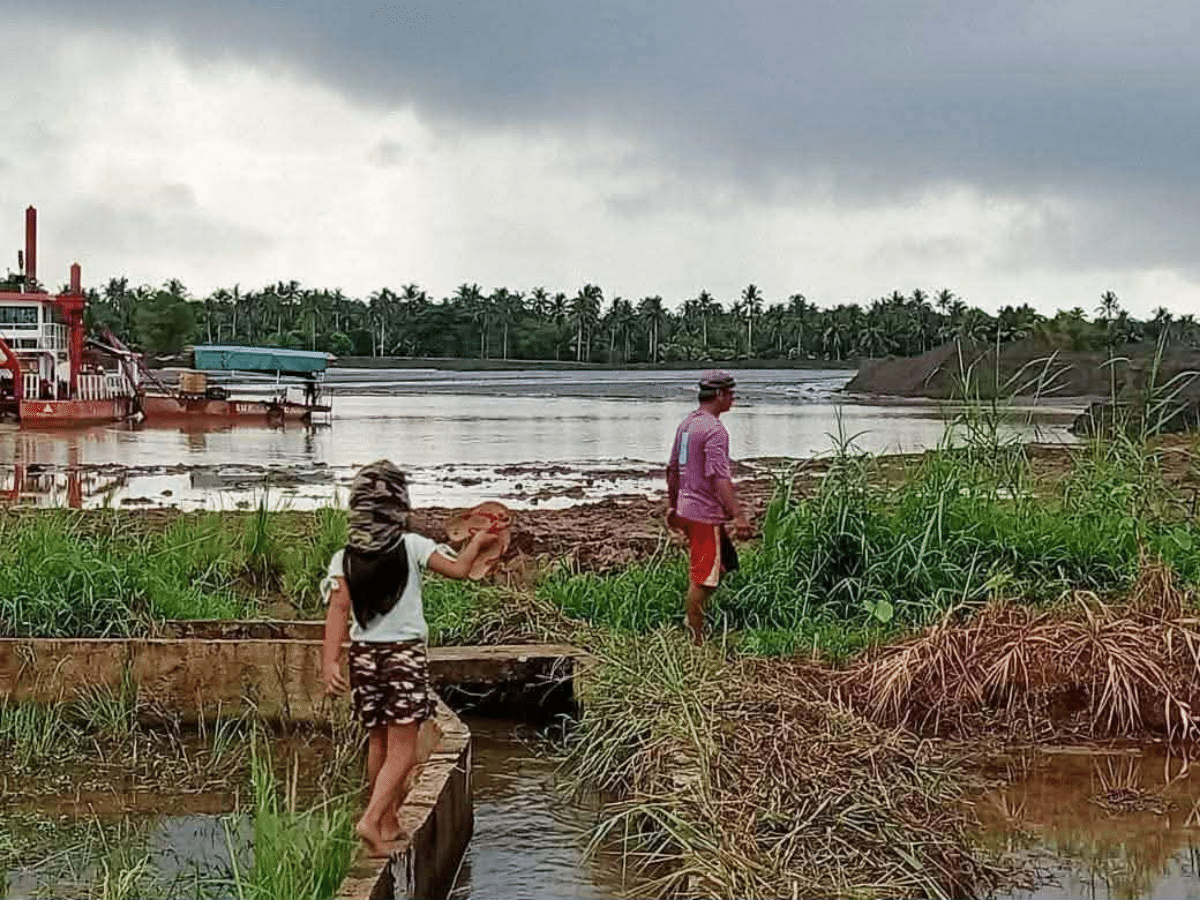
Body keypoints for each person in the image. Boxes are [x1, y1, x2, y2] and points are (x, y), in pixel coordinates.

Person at [321, 459, 499, 855]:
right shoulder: (412, 546)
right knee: (405, 748)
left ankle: (388, 820)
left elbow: (337, 610)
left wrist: (329, 662)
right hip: (402, 656)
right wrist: (478, 542)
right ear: (400, 505)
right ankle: (370, 819)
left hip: (363, 657)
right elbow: (459, 570)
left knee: (378, 741)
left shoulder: (344, 557)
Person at [666, 370, 752, 644]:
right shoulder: (715, 430)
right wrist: (738, 515)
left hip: (688, 509)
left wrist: (674, 505)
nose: (733, 398)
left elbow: (672, 471)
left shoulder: (687, 425)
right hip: (704, 514)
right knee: (704, 577)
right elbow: (719, 477)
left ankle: (697, 619)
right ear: (719, 395)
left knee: (725, 562)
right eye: (730, 393)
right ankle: (695, 635)